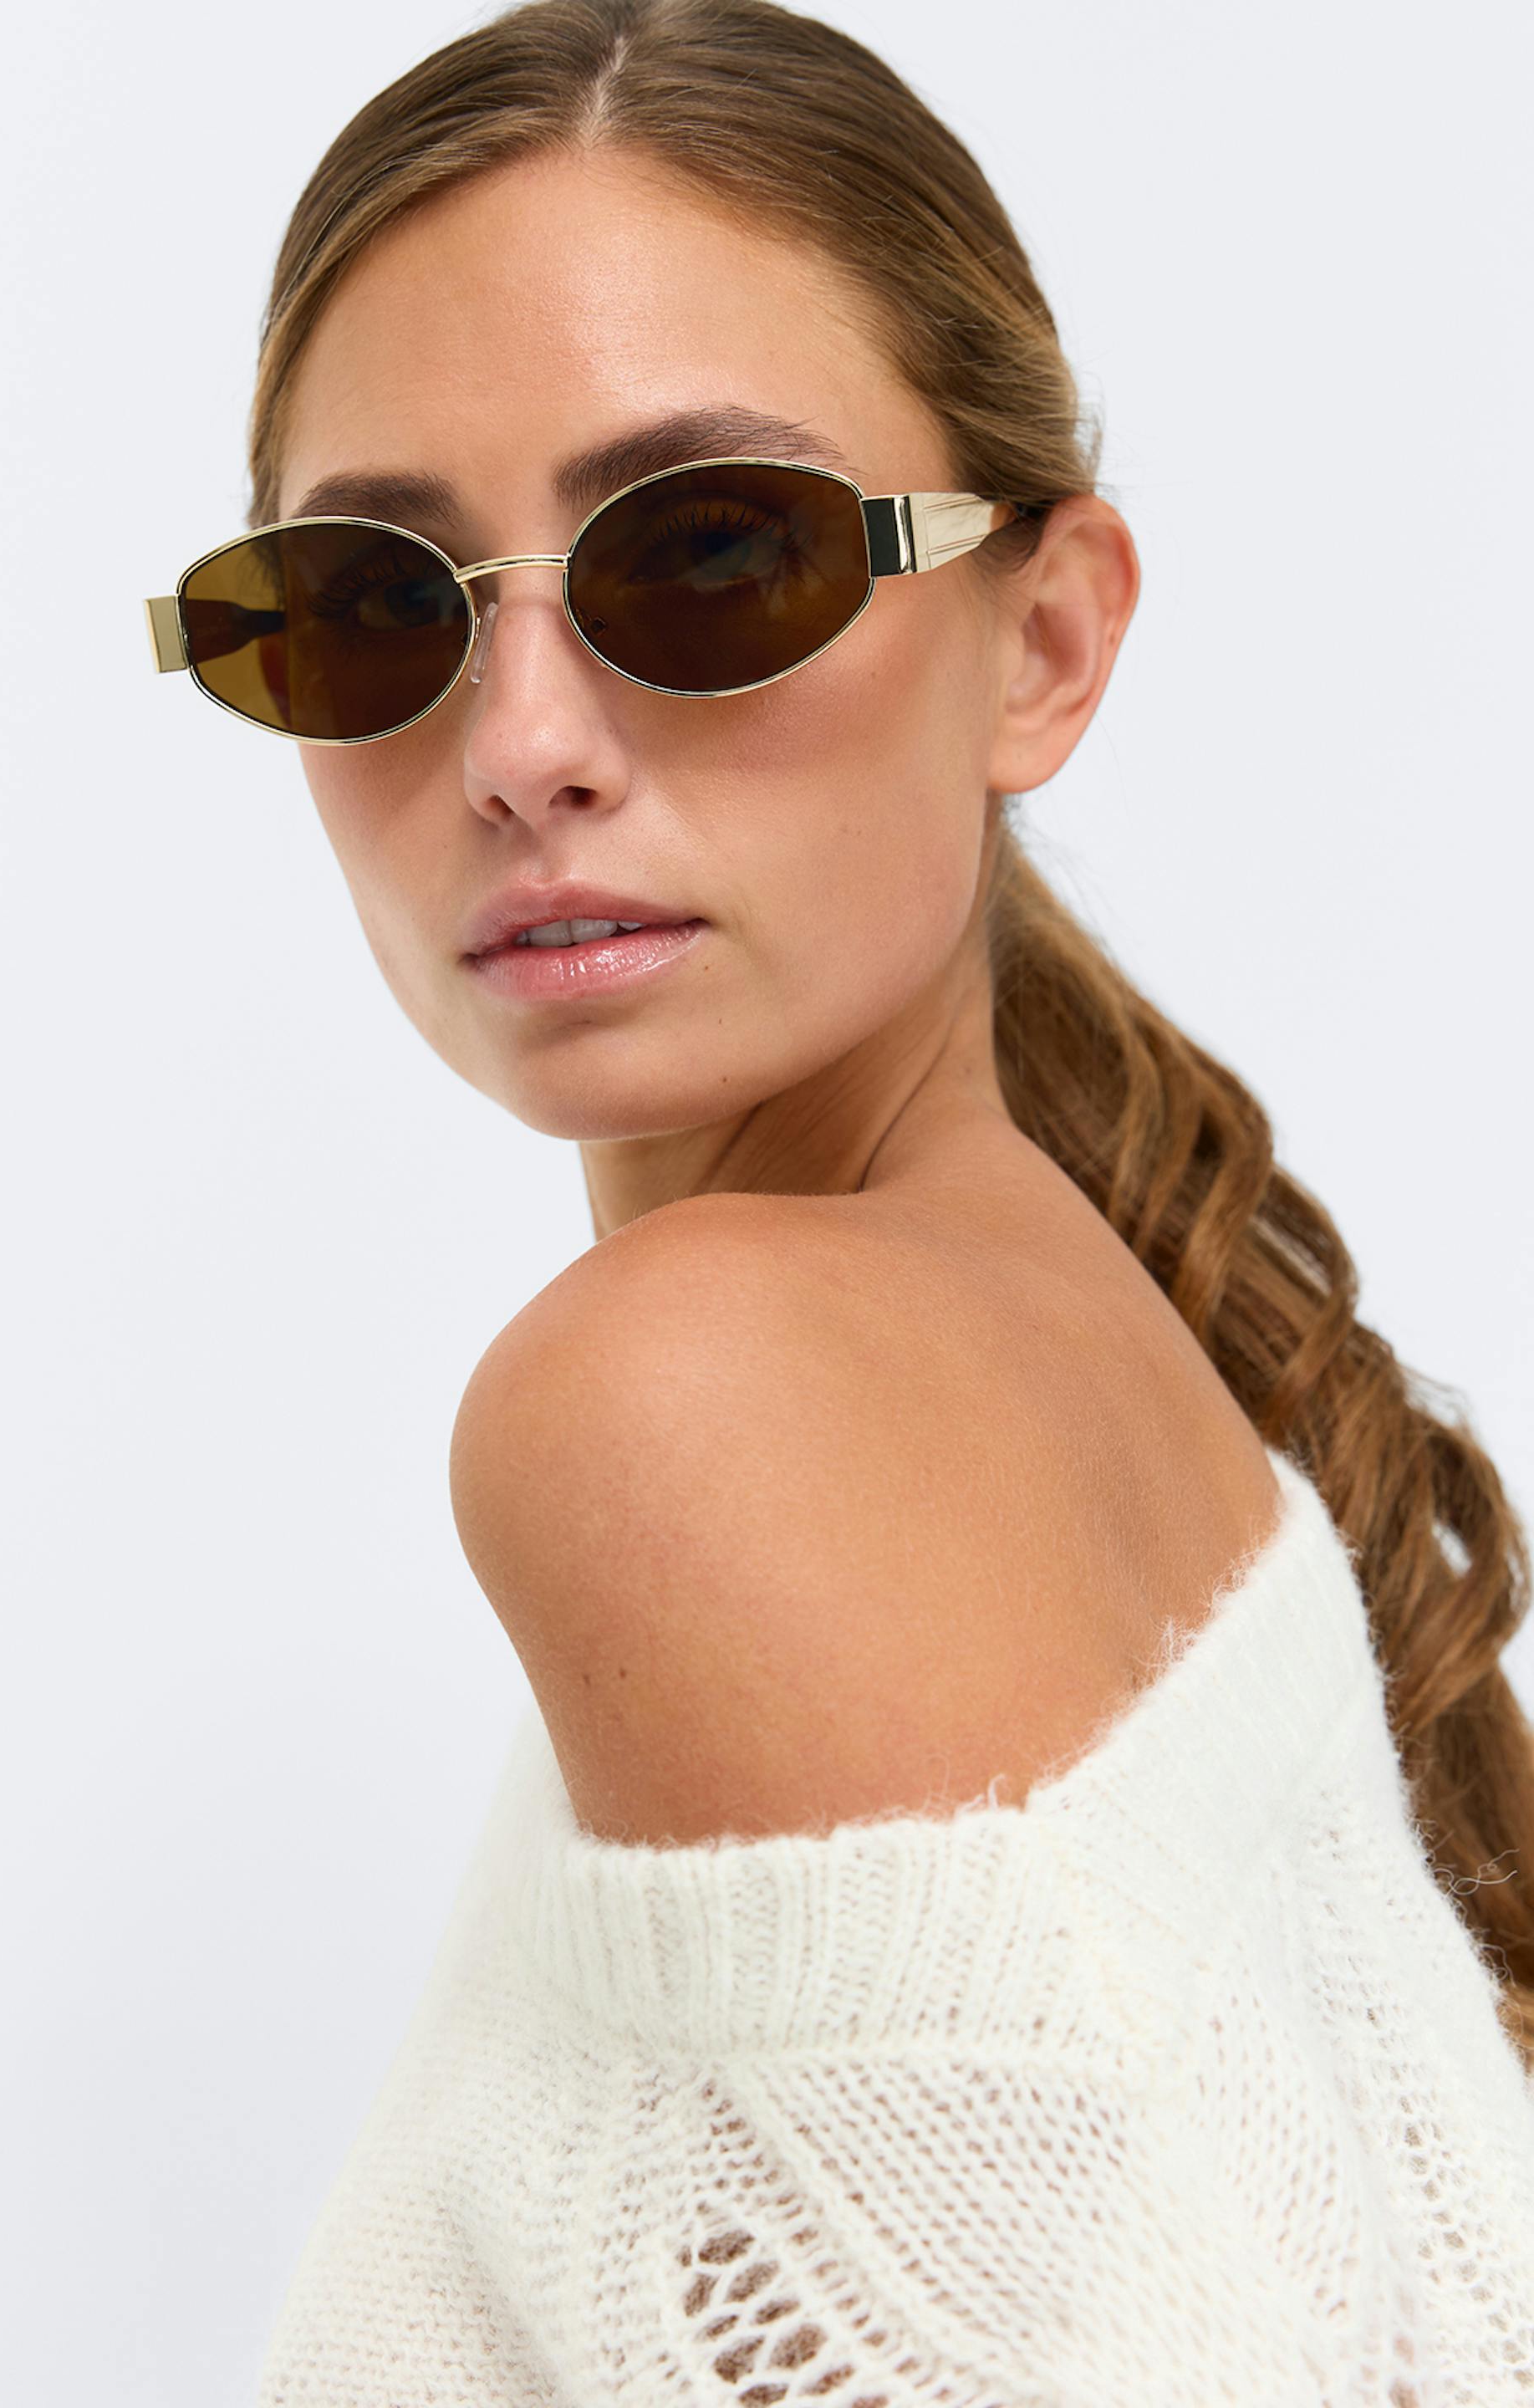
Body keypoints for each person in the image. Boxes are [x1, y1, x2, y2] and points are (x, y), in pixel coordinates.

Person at [142, 2, 1534, 2397]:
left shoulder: (696, 1397)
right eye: (374, 600)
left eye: (712, 553)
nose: (522, 749)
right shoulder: (1070, 1332)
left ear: (1044, 641)